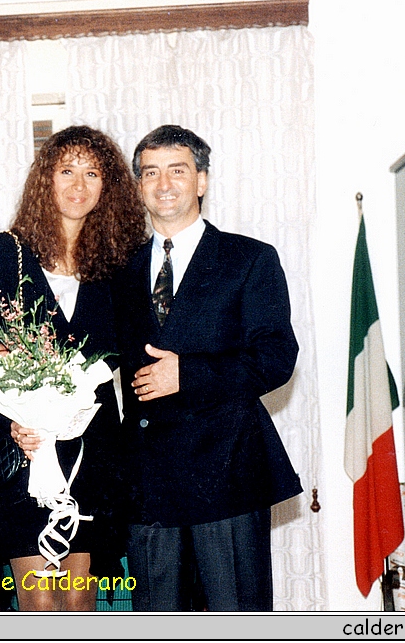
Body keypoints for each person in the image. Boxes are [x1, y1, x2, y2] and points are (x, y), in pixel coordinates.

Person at [111, 125, 303, 611]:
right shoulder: (119, 270)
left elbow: (277, 357)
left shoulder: (250, 258)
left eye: (178, 170)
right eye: (150, 173)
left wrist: (188, 374)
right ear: (138, 187)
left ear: (201, 181)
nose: (164, 184)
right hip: (147, 484)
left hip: (227, 475)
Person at [0, 125, 148, 610]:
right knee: (41, 605)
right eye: (66, 170)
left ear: (107, 185)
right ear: (44, 181)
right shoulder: (2, 255)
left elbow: (124, 360)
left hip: (92, 454)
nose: (78, 184)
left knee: (78, 603)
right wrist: (10, 422)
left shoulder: (116, 266)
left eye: (92, 173)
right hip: (24, 454)